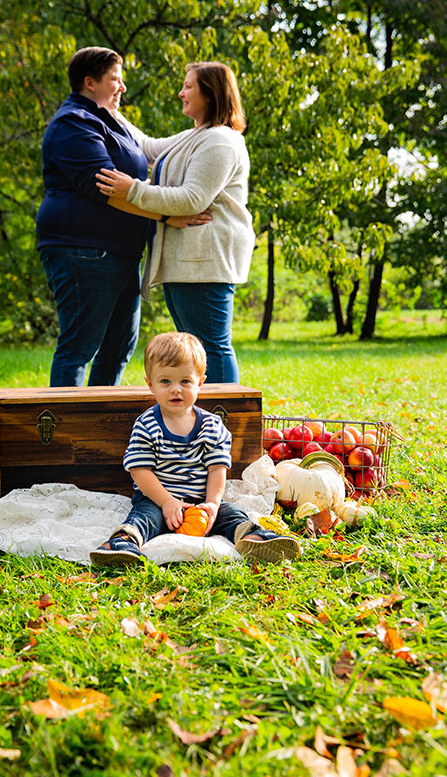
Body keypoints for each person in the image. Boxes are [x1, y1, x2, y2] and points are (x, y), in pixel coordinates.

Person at [38, 46, 207, 388]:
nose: (122, 87)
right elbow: (110, 190)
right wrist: (162, 215)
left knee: (118, 347)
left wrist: (213, 126)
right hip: (82, 249)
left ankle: (98, 426)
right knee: (80, 346)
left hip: (119, 252)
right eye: (115, 79)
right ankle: (64, 435)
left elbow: (153, 151)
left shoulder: (110, 121)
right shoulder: (74, 124)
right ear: (89, 82)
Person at [95, 61, 255, 383]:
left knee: (212, 347)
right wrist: (107, 109)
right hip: (187, 262)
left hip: (205, 264)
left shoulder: (221, 141)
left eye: (189, 86)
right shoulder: (197, 135)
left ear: (209, 93)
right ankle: (210, 421)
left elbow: (192, 199)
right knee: (199, 347)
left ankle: (229, 424)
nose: (181, 93)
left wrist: (133, 190)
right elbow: (148, 147)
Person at [89, 332, 300, 567]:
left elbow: (217, 469)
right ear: (151, 384)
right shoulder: (147, 424)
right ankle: (122, 543)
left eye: (185, 382)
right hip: (158, 498)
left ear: (200, 382)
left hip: (200, 499)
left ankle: (254, 538)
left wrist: (212, 503)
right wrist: (167, 502)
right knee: (146, 517)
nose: (175, 389)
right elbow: (140, 471)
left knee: (230, 513)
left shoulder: (211, 425)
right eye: (165, 381)